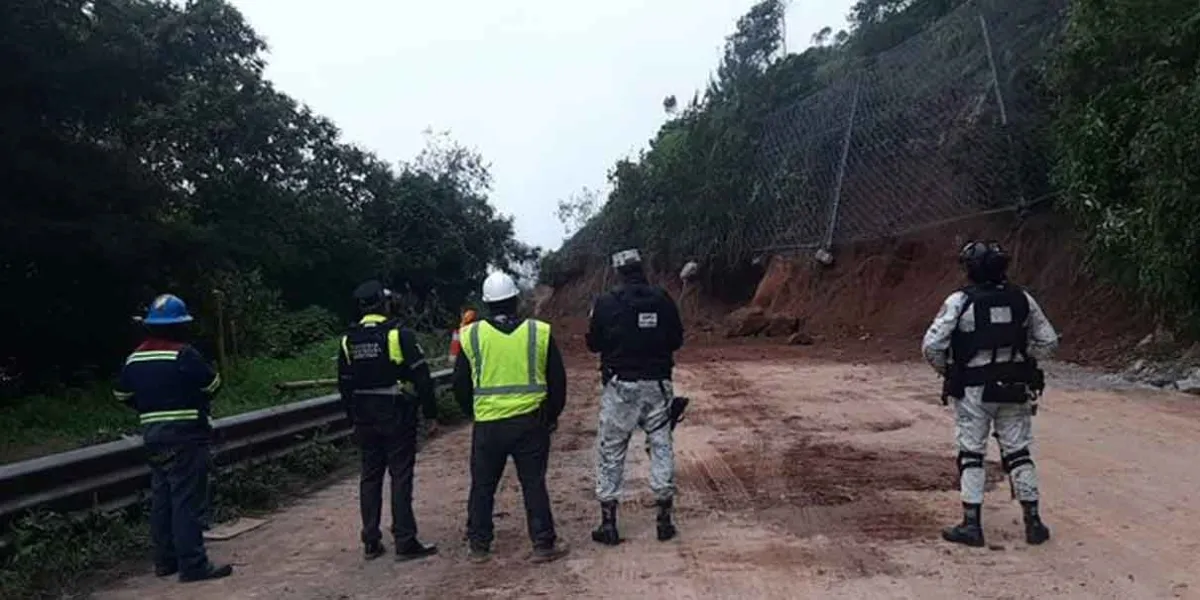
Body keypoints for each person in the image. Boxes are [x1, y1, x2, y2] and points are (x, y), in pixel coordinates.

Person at [921, 240, 1058, 548]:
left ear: (972, 269)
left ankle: (972, 525)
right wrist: (1023, 358)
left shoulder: (960, 301)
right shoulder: (1022, 298)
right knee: (1019, 451)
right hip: (1014, 385)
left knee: (971, 452)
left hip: (973, 388)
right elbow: (1048, 341)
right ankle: (1033, 522)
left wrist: (949, 370)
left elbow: (932, 346)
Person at [113, 294, 232, 583]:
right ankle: (193, 564)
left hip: (153, 436)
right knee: (187, 500)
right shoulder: (184, 354)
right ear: (179, 326)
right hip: (186, 435)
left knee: (162, 497)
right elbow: (212, 385)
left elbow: (121, 395)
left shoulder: (135, 357)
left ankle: (165, 562)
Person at [453, 271, 570, 564]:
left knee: (482, 485)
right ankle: (543, 543)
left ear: (486, 304)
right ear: (516, 299)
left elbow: (460, 385)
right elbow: (558, 380)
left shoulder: (472, 335)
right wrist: (551, 415)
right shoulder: (538, 332)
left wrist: (474, 413)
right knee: (533, 483)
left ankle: (479, 545)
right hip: (530, 423)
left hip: (488, 426)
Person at [586, 248, 685, 545]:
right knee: (661, 445)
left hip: (621, 388)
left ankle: (609, 523)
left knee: (611, 450)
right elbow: (677, 339)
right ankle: (664, 519)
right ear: (642, 268)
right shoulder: (663, 299)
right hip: (657, 386)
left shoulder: (605, 303)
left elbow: (593, 344)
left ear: (618, 272)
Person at [337, 280, 440, 561]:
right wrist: (431, 415)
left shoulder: (349, 340)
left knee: (370, 477)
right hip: (396, 415)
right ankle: (405, 540)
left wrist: (352, 420)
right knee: (400, 475)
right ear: (383, 304)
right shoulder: (398, 335)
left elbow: (344, 385)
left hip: (363, 417)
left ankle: (371, 541)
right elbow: (422, 377)